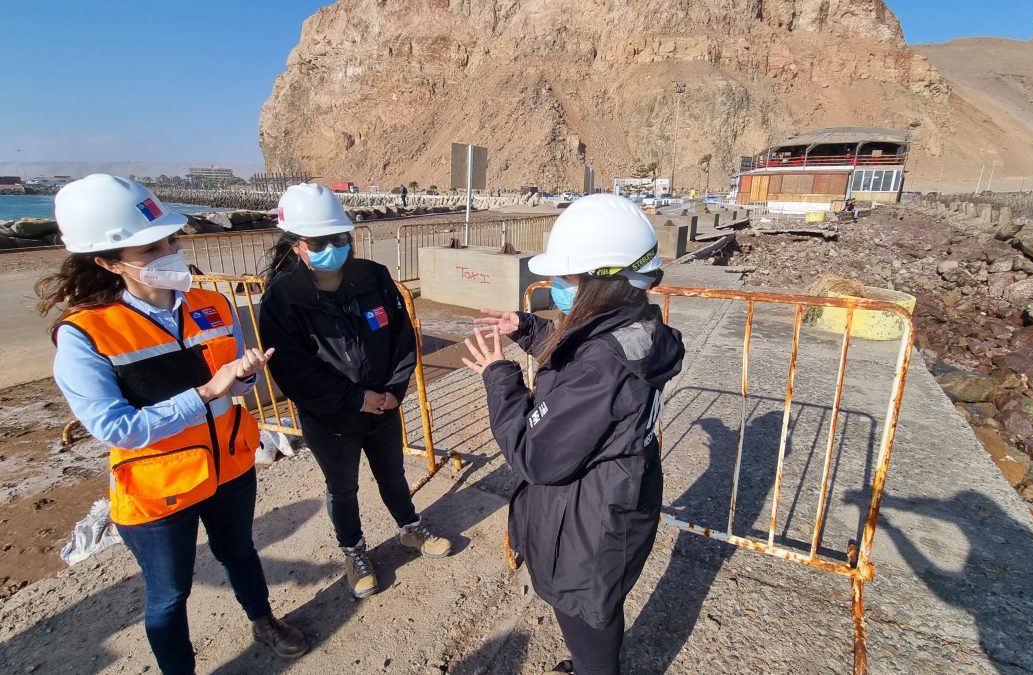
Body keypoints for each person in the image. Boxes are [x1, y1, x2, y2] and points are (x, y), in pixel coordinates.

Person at [37, 174, 307, 675]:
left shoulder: (213, 305)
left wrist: (243, 379)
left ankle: (264, 619)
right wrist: (206, 391)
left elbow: (233, 387)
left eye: (170, 240)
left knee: (241, 553)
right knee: (169, 593)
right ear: (107, 262)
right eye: (150, 247)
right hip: (159, 488)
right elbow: (116, 428)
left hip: (229, 467)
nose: (168, 251)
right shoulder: (84, 336)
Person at [462, 194, 686, 675]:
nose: (555, 286)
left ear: (601, 283)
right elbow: (585, 359)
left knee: (586, 611)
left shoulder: (606, 365)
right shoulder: (637, 327)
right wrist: (526, 329)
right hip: (616, 503)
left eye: (566, 278)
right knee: (599, 606)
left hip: (590, 523)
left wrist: (498, 375)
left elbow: (533, 453)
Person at [258, 183, 451, 600]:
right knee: (343, 488)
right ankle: (354, 550)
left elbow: (402, 339)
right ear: (296, 245)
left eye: (340, 238)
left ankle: (410, 528)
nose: (334, 247)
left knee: (393, 473)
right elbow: (293, 371)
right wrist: (355, 399)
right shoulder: (283, 298)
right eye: (321, 241)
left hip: (385, 405)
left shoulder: (373, 277)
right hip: (330, 418)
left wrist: (394, 391)